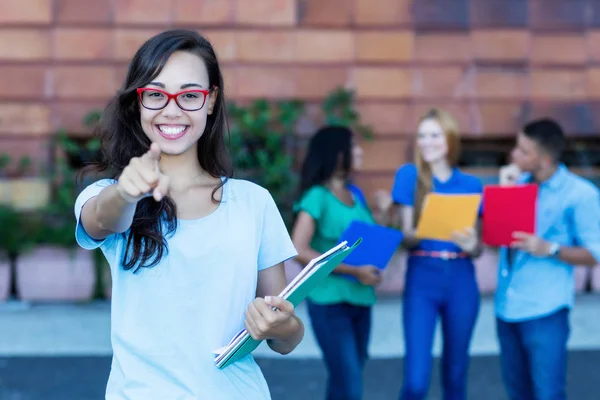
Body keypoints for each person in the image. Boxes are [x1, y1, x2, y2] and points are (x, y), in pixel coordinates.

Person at [73, 29, 304, 400]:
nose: (172, 108)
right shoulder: (107, 196)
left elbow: (286, 338)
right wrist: (127, 191)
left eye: (190, 95)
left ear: (210, 101)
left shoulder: (253, 202)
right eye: (156, 94)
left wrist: (280, 325)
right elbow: (103, 220)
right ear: (138, 101)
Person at [496, 118, 600, 400]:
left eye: (522, 151)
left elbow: (595, 253)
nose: (513, 155)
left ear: (542, 159)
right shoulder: (516, 185)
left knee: (548, 394)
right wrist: (506, 195)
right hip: (506, 309)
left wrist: (550, 249)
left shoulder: (581, 195)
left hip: (545, 312)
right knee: (518, 393)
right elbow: (499, 242)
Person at [290, 126, 389, 400]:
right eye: (353, 146)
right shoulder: (317, 196)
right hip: (330, 302)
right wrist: (353, 270)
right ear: (336, 153)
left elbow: (367, 244)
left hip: (361, 300)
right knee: (350, 385)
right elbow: (298, 248)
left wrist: (381, 215)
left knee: (344, 381)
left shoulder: (356, 194)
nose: (359, 152)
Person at [391, 108, 483, 400]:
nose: (426, 142)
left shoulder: (471, 185)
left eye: (434, 135)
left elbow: (478, 246)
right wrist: (416, 233)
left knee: (455, 376)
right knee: (416, 381)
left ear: (450, 140)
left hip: (461, 278)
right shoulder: (409, 176)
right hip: (422, 277)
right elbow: (406, 237)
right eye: (421, 136)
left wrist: (472, 246)